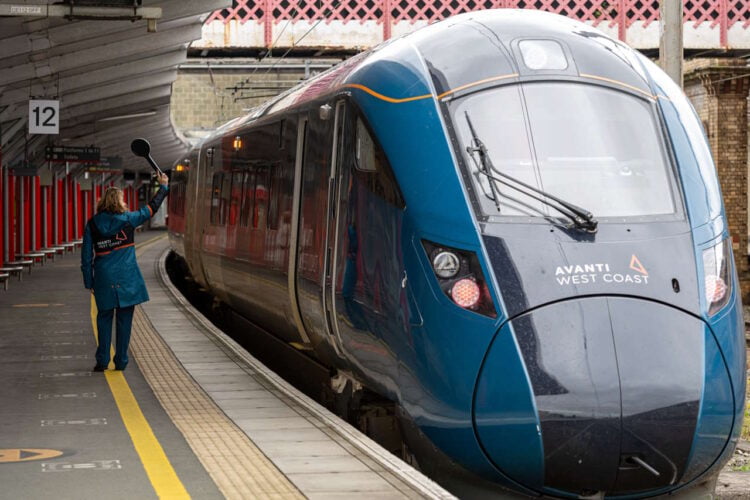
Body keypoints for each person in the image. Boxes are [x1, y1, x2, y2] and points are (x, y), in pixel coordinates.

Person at [81, 173, 169, 371]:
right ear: (120, 202)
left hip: (103, 278)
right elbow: (151, 209)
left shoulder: (92, 224)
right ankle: (120, 361)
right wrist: (163, 187)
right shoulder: (129, 220)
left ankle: (102, 361)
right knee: (124, 320)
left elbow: (86, 257)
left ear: (102, 202)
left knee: (103, 318)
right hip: (127, 278)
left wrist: (89, 282)